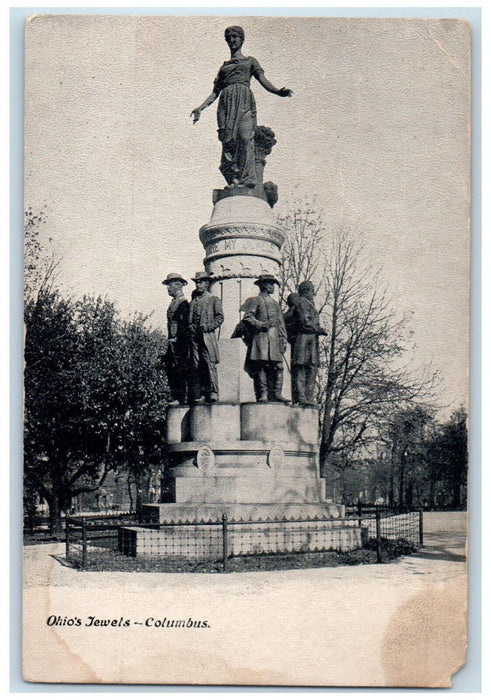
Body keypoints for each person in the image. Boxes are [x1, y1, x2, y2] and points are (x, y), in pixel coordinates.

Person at [190, 26, 292, 188]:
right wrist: (200, 108)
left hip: (244, 101)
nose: (232, 40)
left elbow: (263, 80)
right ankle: (234, 180)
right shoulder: (224, 67)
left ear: (242, 39)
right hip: (226, 104)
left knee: (245, 138)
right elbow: (215, 92)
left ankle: (247, 179)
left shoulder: (250, 61)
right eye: (229, 38)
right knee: (228, 141)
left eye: (235, 37)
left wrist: (278, 91)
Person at [241, 273, 288, 403]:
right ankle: (263, 394)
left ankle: (277, 393)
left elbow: (281, 323)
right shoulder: (255, 301)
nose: (272, 287)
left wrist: (283, 338)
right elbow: (248, 317)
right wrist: (261, 324)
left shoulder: (275, 304)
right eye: (270, 284)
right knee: (261, 366)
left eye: (273, 284)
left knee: (278, 366)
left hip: (274, 339)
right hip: (260, 337)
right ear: (263, 286)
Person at [284, 281, 327, 405]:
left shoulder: (308, 304)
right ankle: (302, 397)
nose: (313, 293)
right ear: (306, 290)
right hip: (303, 338)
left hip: (311, 340)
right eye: (312, 290)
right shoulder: (302, 303)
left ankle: (308, 397)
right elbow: (305, 322)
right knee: (301, 366)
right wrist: (318, 329)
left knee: (311, 366)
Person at [188, 271, 224, 404]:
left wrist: (209, 326)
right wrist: (191, 326)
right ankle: (202, 393)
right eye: (197, 282)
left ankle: (214, 392)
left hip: (208, 337)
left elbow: (220, 317)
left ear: (207, 283)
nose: (198, 284)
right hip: (195, 339)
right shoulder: (194, 302)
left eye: (201, 281)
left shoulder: (213, 299)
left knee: (210, 365)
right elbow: (190, 320)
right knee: (198, 366)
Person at [162, 273, 190, 406]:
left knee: (180, 369)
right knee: (172, 369)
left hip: (179, 343)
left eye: (170, 285)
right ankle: (176, 396)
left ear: (179, 285)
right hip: (172, 342)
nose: (168, 288)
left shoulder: (183, 304)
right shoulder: (173, 303)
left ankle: (181, 398)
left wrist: (178, 339)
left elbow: (184, 325)